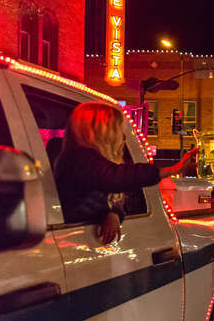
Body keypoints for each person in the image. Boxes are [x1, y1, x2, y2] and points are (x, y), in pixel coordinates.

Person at [54, 102, 197, 244]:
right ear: (98, 130)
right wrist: (173, 169)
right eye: (115, 128)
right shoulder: (78, 159)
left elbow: (113, 194)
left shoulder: (87, 161)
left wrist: (114, 213)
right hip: (71, 243)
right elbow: (115, 178)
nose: (122, 137)